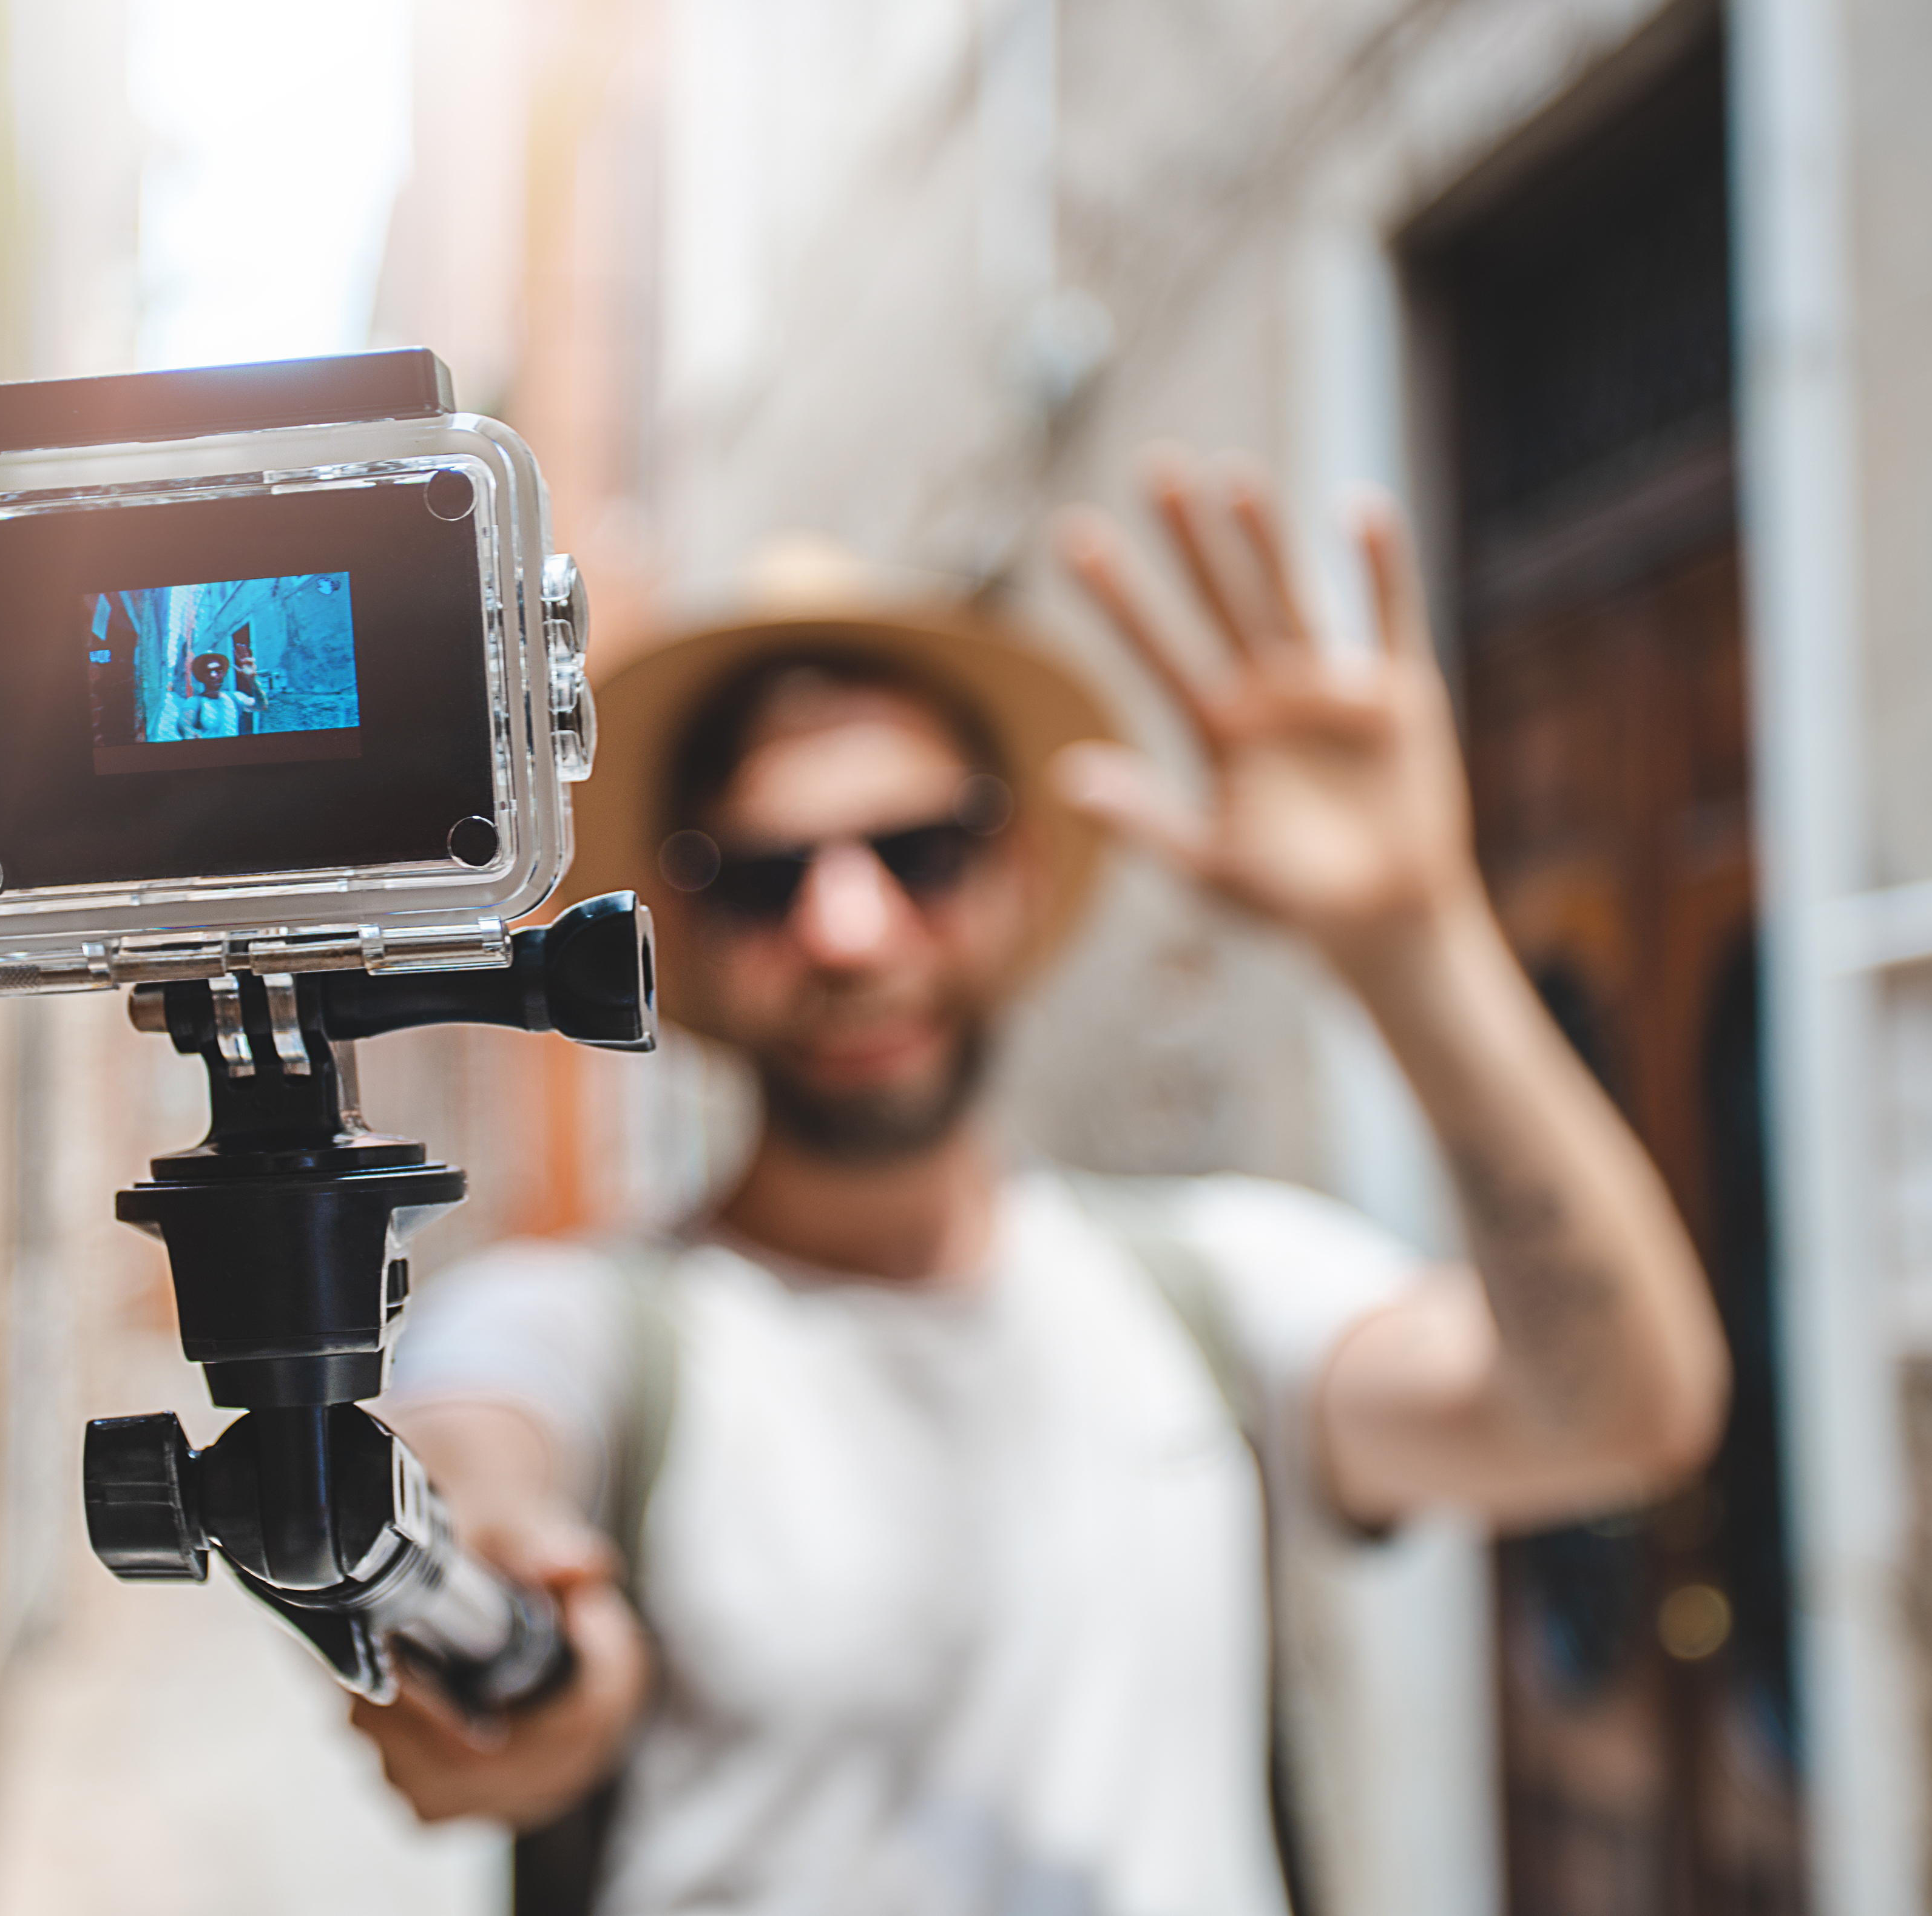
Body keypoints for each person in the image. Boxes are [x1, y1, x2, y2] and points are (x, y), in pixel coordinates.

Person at [353, 454, 1730, 1916]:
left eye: (918, 851)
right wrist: (506, 1627)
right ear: (676, 934)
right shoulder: (585, 1329)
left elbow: (1622, 1414)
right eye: (760, 873)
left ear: (1014, 875)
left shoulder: (1213, 1286)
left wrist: (1414, 939)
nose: (849, 925)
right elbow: (476, 1464)